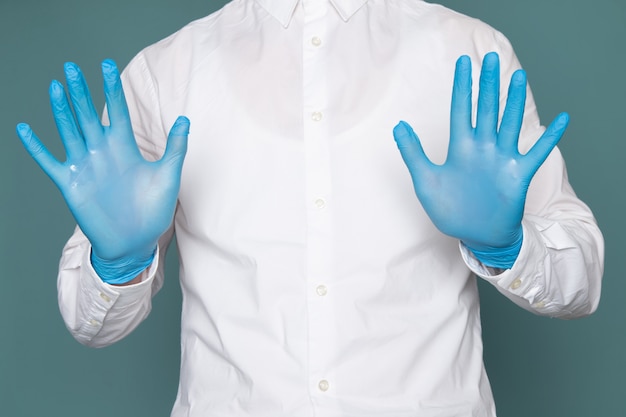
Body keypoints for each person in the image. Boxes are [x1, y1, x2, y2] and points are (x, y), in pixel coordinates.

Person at [16, 0, 603, 416]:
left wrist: (506, 246)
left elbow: (580, 284)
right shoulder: (167, 71)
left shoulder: (468, 51)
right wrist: (117, 262)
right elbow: (89, 322)